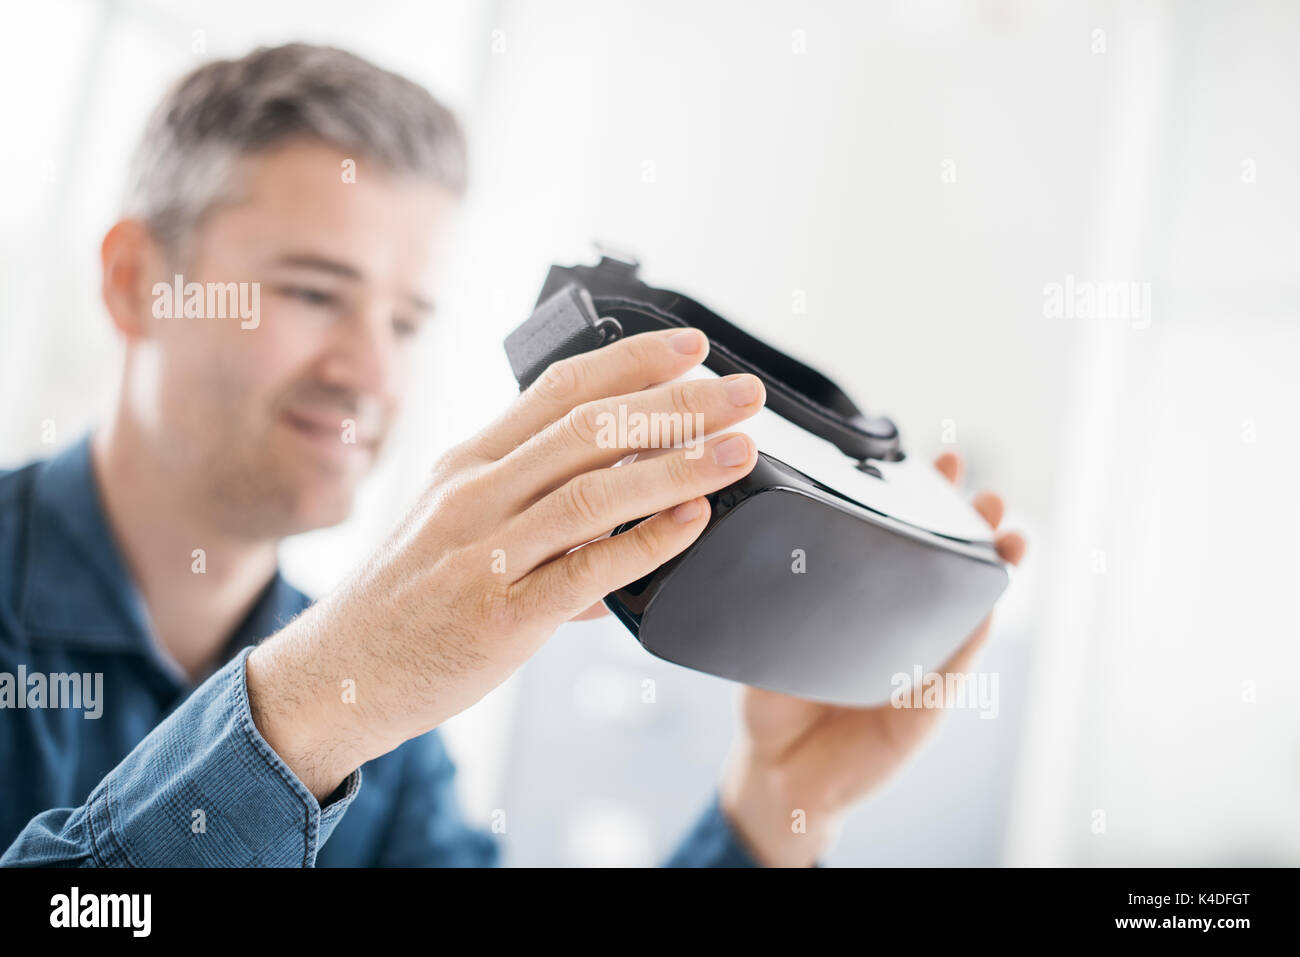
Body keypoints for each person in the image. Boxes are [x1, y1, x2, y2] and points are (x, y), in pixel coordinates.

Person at [0, 43, 1025, 867]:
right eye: (312, 293)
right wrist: (317, 700)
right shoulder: (357, 683)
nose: (367, 370)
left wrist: (773, 814)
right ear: (137, 281)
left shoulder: (389, 742)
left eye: (405, 321)